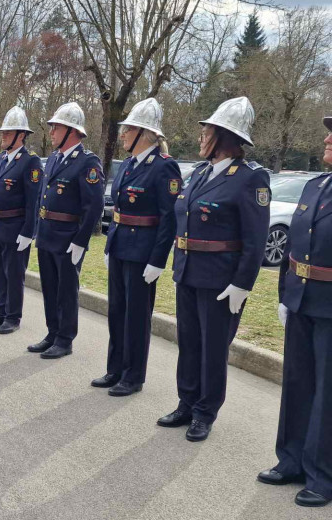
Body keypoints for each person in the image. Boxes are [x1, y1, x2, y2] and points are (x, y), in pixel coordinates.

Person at [157, 97, 270, 441]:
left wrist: (242, 284)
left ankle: (205, 412)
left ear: (225, 137)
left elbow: (256, 239)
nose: (202, 135)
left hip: (221, 280)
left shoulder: (251, 179)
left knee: (212, 348)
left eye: (207, 130)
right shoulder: (200, 173)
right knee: (189, 342)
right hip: (189, 272)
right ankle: (186, 402)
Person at [257, 116, 332, 508]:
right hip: (302, 299)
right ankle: (291, 461)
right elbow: (293, 248)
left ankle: (322, 475)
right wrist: (285, 294)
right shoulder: (315, 185)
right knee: (297, 383)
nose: (326, 137)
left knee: (327, 393)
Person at [92, 98, 181, 396]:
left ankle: (133, 376)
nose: (123, 135)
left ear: (143, 133)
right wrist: (109, 246)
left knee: (136, 317)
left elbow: (169, 219)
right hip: (120, 248)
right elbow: (118, 210)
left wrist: (158, 260)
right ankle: (115, 368)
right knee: (117, 312)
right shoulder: (129, 165)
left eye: (127, 130)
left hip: (143, 254)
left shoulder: (164, 168)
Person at [28, 102, 104, 359]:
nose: (50, 132)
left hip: (68, 237)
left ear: (71, 131)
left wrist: (81, 241)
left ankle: (65, 339)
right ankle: (52, 332)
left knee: (66, 290)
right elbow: (43, 198)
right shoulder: (53, 160)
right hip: (48, 234)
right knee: (49, 288)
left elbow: (94, 206)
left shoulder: (87, 162)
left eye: (56, 127)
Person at [0, 106, 41, 334]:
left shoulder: (30, 162)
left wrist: (28, 232)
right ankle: (1, 310)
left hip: (15, 228)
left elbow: (32, 201)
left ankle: (13, 316)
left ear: (21, 135)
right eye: (3, 132)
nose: (3, 135)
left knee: (13, 274)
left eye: (8, 132)